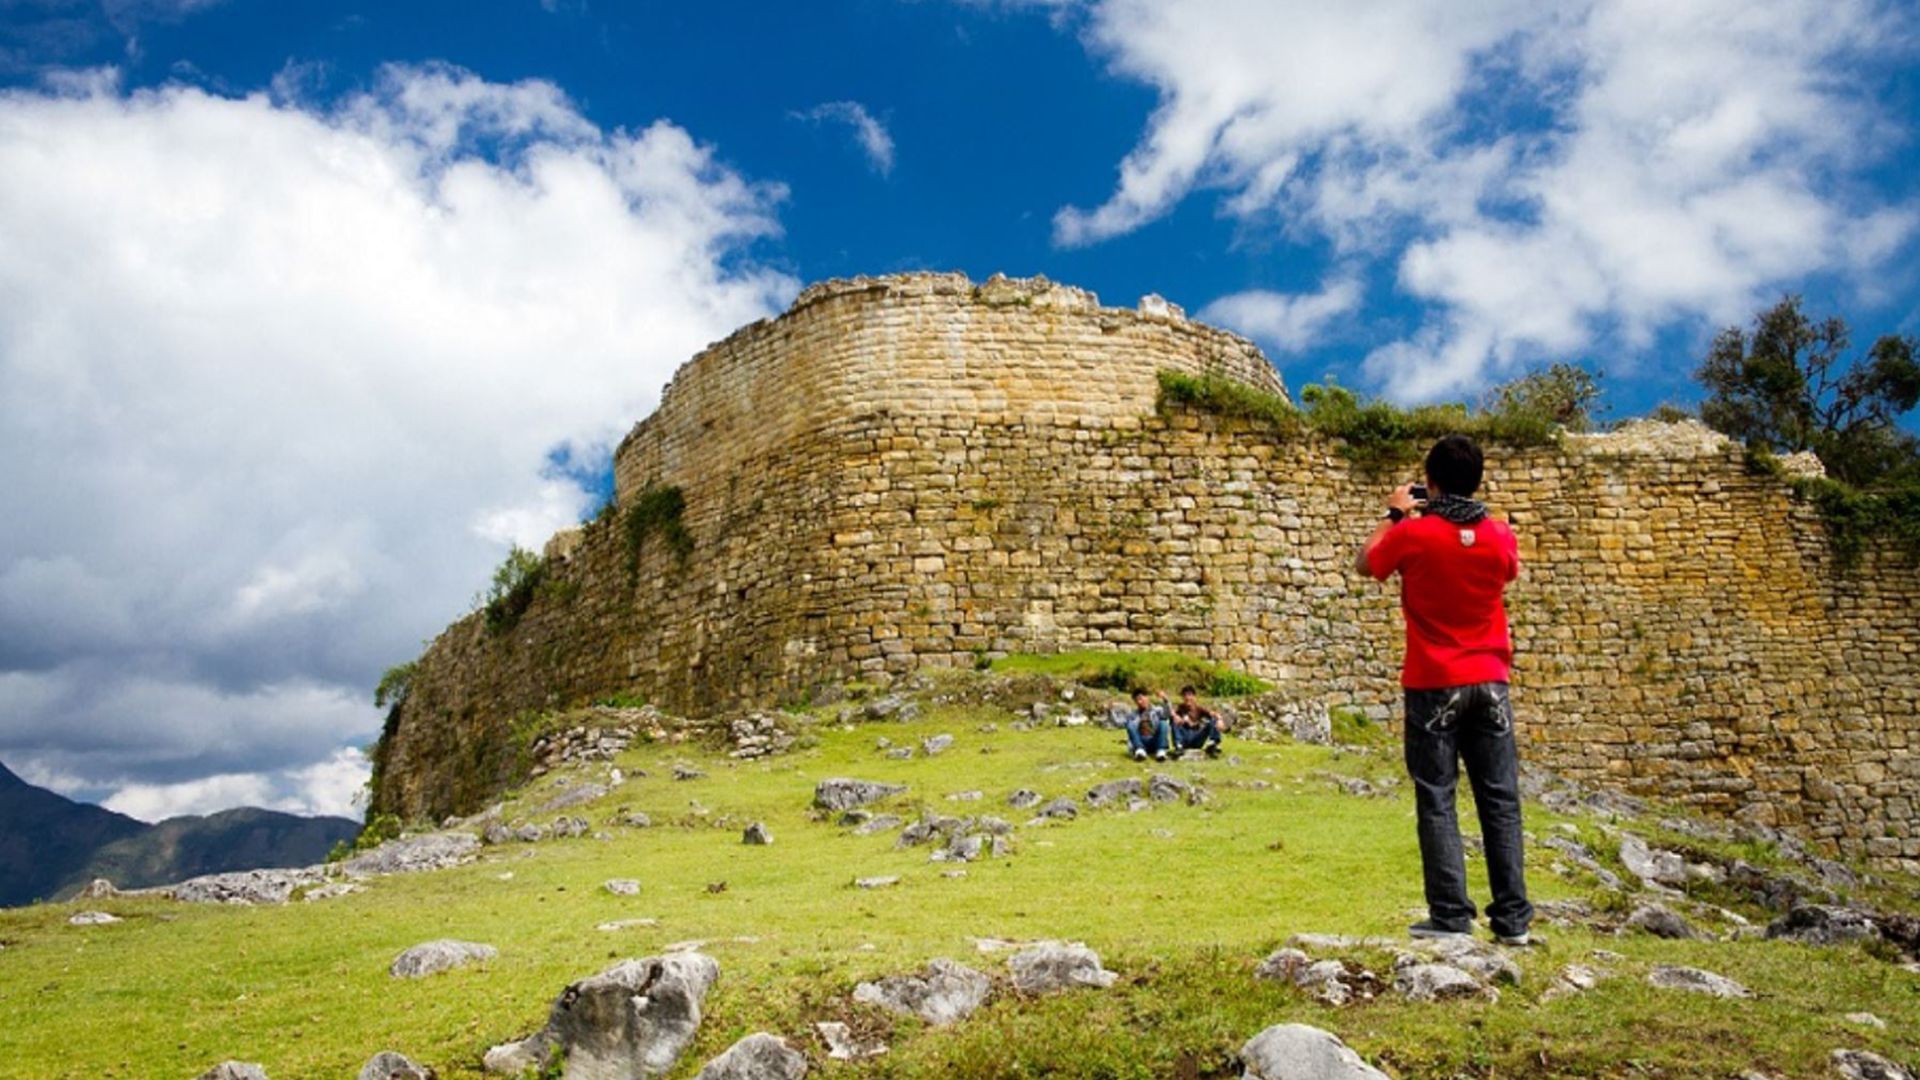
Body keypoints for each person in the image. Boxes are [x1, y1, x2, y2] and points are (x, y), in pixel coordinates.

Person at [1357, 433, 1533, 946]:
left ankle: (1452, 917)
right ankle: (1514, 921)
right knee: (1500, 799)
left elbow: (1366, 564)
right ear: (1477, 481)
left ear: (1428, 483)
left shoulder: (1414, 535)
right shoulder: (1501, 536)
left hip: (1435, 682)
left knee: (1438, 797)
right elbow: (1508, 571)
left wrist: (1394, 515)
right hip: (1491, 682)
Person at [1171, 685, 1225, 757]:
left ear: (1194, 697)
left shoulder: (1199, 708)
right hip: (1184, 738)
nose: (1187, 698)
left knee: (1213, 720)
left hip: (1196, 738)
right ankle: (1178, 746)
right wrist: (1175, 716)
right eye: (1185, 695)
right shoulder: (1180, 708)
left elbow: (1213, 714)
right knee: (1174, 721)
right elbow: (1170, 711)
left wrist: (1220, 720)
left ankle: (1213, 744)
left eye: (1189, 695)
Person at [1123, 688, 1172, 761]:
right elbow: (1127, 726)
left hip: (1155, 739)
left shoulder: (1157, 710)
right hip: (1141, 741)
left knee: (1163, 723)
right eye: (1137, 701)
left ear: (1147, 697)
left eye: (1141, 699)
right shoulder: (1133, 714)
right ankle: (1140, 750)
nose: (1139, 702)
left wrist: (1165, 699)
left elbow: (1168, 713)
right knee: (1130, 724)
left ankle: (1160, 750)